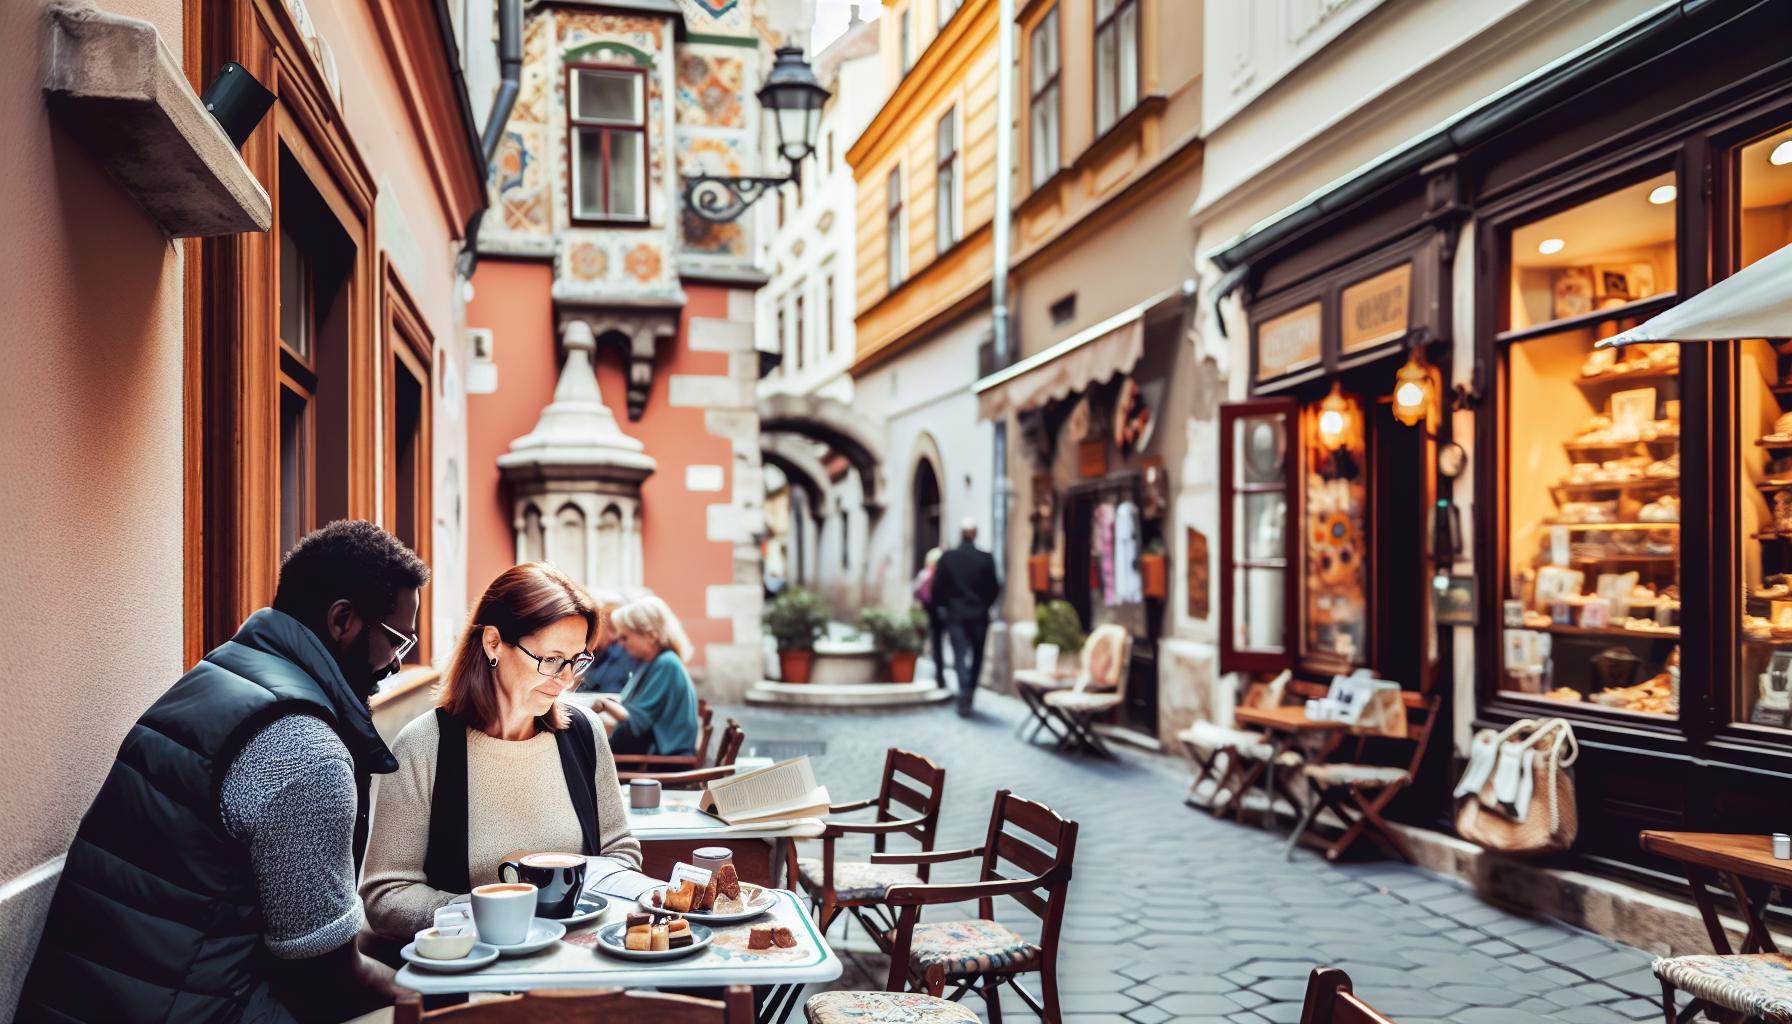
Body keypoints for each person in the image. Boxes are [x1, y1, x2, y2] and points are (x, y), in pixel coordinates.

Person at [17, 520, 427, 1024]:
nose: (395, 665)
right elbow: (324, 977)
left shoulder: (218, 678)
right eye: (395, 641)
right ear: (342, 620)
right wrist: (436, 997)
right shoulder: (306, 750)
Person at [360, 563, 642, 940]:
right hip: (474, 978)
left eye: (577, 660)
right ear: (493, 643)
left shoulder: (583, 734)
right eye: (552, 659)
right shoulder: (425, 745)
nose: (567, 679)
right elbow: (386, 895)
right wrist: (489, 915)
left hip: (582, 970)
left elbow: (620, 853)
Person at [604, 595, 701, 758]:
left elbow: (634, 722)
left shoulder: (666, 664)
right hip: (655, 755)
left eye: (625, 637)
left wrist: (603, 704)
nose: (620, 643)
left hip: (665, 761)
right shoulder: (652, 662)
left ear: (650, 636)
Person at [930, 519, 1001, 717]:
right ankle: (969, 692)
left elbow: (937, 589)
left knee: (960, 655)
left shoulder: (948, 558)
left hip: (956, 615)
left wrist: (946, 605)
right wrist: (983, 605)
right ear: (975, 534)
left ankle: (964, 692)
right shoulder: (985, 558)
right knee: (977, 655)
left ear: (961, 534)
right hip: (979, 615)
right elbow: (995, 588)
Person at [579, 601, 639, 694]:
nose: (614, 637)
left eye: (620, 634)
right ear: (598, 622)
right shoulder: (579, 642)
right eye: (611, 629)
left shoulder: (616, 652)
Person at [914, 547, 946, 685]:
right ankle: (939, 674)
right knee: (939, 644)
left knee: (935, 643)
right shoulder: (944, 576)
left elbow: (916, 592)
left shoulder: (925, 575)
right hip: (942, 613)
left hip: (929, 613)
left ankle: (938, 673)